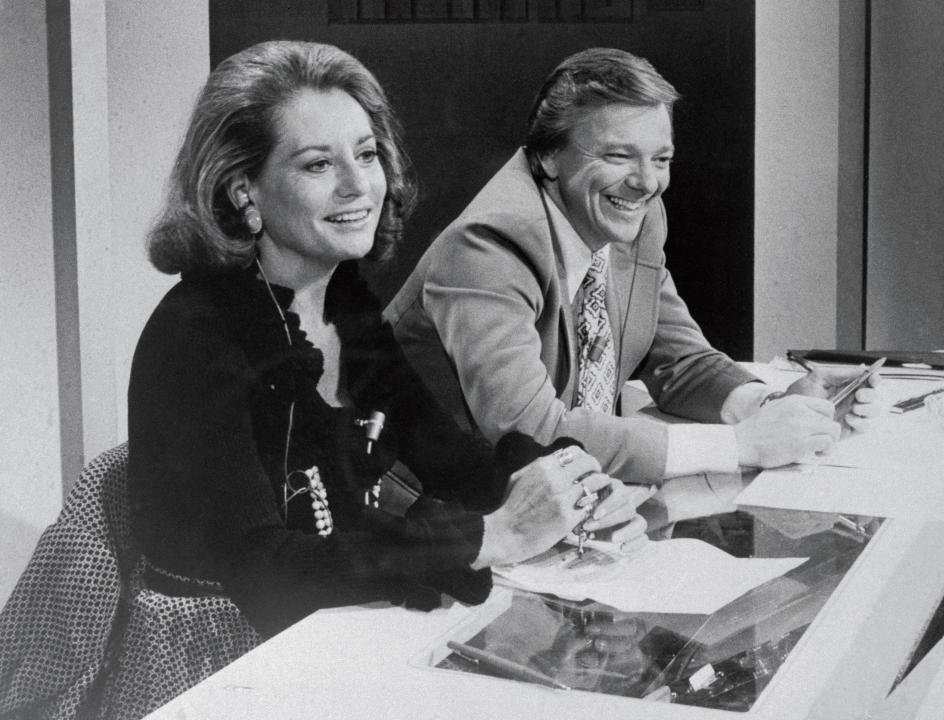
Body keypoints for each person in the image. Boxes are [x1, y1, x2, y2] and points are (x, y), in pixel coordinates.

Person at [99, 40, 648, 719]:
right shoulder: (195, 334)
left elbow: (448, 458)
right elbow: (268, 572)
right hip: (221, 671)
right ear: (245, 190)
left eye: (366, 154)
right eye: (317, 164)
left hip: (329, 632)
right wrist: (491, 535)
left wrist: (573, 486)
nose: (359, 185)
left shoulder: (341, 298)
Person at [386, 47, 881, 486]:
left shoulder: (629, 218)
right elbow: (530, 433)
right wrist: (742, 446)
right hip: (419, 516)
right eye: (619, 156)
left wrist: (772, 407)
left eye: (661, 159)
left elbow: (680, 362)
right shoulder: (487, 247)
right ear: (548, 157)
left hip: (551, 498)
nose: (646, 183)